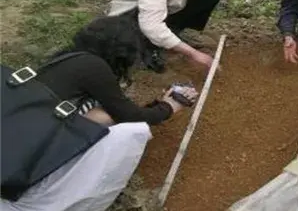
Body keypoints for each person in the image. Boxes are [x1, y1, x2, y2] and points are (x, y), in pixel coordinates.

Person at [38, 16, 198, 127]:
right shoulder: (95, 68)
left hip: (34, 119)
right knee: (119, 124)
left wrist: (159, 104)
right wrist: (168, 107)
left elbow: (120, 107)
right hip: (47, 129)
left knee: (106, 112)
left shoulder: (72, 57)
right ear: (119, 52)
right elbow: (129, 117)